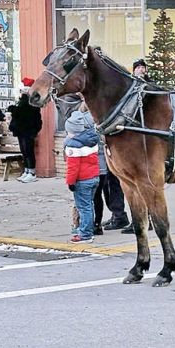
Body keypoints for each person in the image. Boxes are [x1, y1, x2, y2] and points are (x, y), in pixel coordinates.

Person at [64, 102, 101, 244]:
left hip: (82, 180)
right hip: (94, 177)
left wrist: (70, 182)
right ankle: (88, 231)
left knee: (84, 207)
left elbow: (72, 167)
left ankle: (85, 233)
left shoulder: (73, 144)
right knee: (89, 205)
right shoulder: (92, 140)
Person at [8, 77, 42, 183]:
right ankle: (27, 171)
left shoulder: (31, 99)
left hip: (28, 129)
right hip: (22, 129)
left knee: (28, 150)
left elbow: (24, 113)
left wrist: (12, 109)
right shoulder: (22, 99)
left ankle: (31, 172)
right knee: (24, 151)